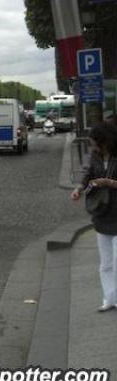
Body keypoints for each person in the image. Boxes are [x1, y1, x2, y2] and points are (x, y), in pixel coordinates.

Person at [71, 122, 117, 312]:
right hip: (101, 212)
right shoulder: (94, 156)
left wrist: (107, 182)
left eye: (95, 143)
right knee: (105, 262)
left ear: (105, 142)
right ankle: (109, 298)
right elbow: (87, 174)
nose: (92, 146)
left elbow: (103, 180)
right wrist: (79, 189)